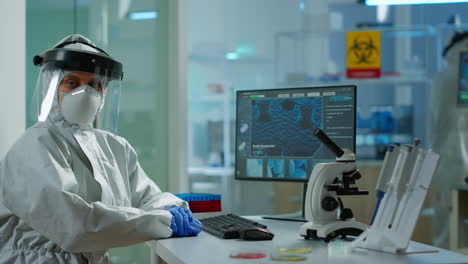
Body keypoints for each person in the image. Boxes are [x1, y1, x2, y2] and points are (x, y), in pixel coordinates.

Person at [0, 34, 202, 263]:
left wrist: (172, 208)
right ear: (52, 87)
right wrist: (162, 221)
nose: (86, 93)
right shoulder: (34, 147)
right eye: (72, 82)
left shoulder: (114, 147)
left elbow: (148, 198)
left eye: (94, 84)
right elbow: (76, 226)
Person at [430, 31, 468, 249]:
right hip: (454, 161)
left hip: (447, 165)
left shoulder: (443, 77)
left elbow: (434, 123)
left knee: (446, 235)